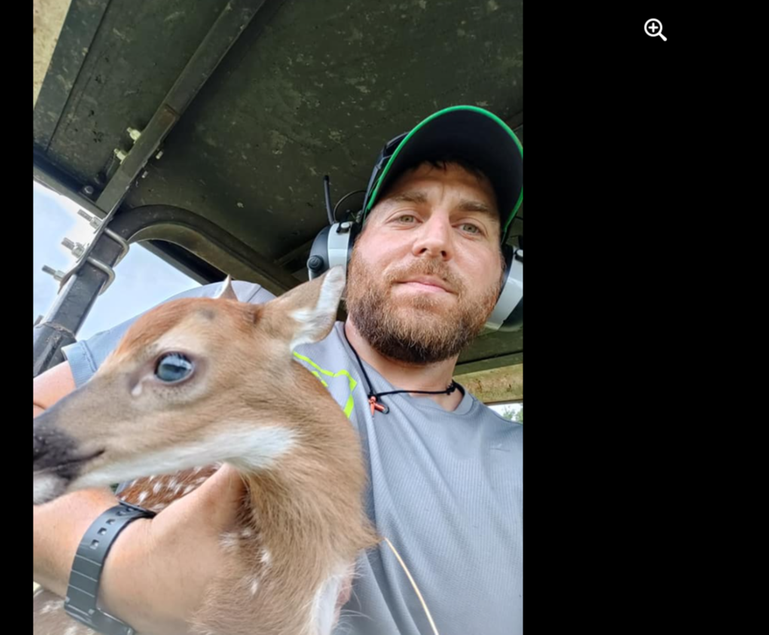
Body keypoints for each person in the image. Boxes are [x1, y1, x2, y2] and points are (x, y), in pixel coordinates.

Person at [34, 105, 523, 635]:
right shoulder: (232, 321)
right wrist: (117, 562)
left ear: (505, 282)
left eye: (471, 227)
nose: (436, 241)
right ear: (347, 248)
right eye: (405, 216)